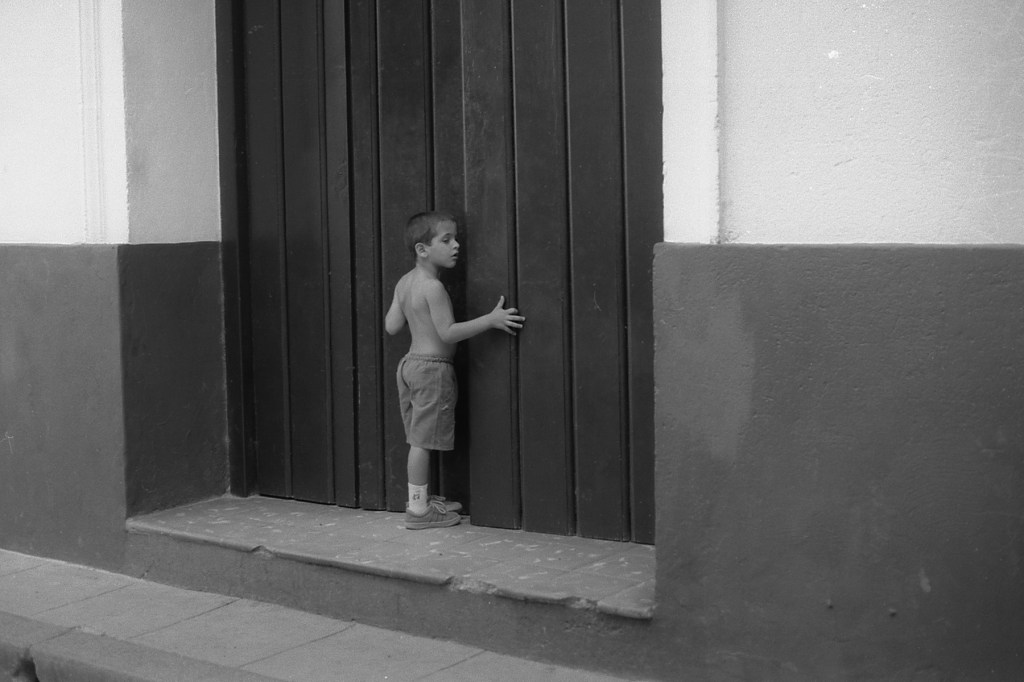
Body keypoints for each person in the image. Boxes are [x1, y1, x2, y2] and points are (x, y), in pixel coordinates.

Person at [385, 212, 525, 529]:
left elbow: (392, 326)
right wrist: (490, 320)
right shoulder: (432, 287)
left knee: (416, 436)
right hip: (432, 368)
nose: (456, 245)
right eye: (446, 240)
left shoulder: (405, 282)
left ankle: (421, 499)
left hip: (408, 365)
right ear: (423, 249)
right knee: (420, 441)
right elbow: (447, 332)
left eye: (455, 238)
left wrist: (411, 311)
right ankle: (418, 511)